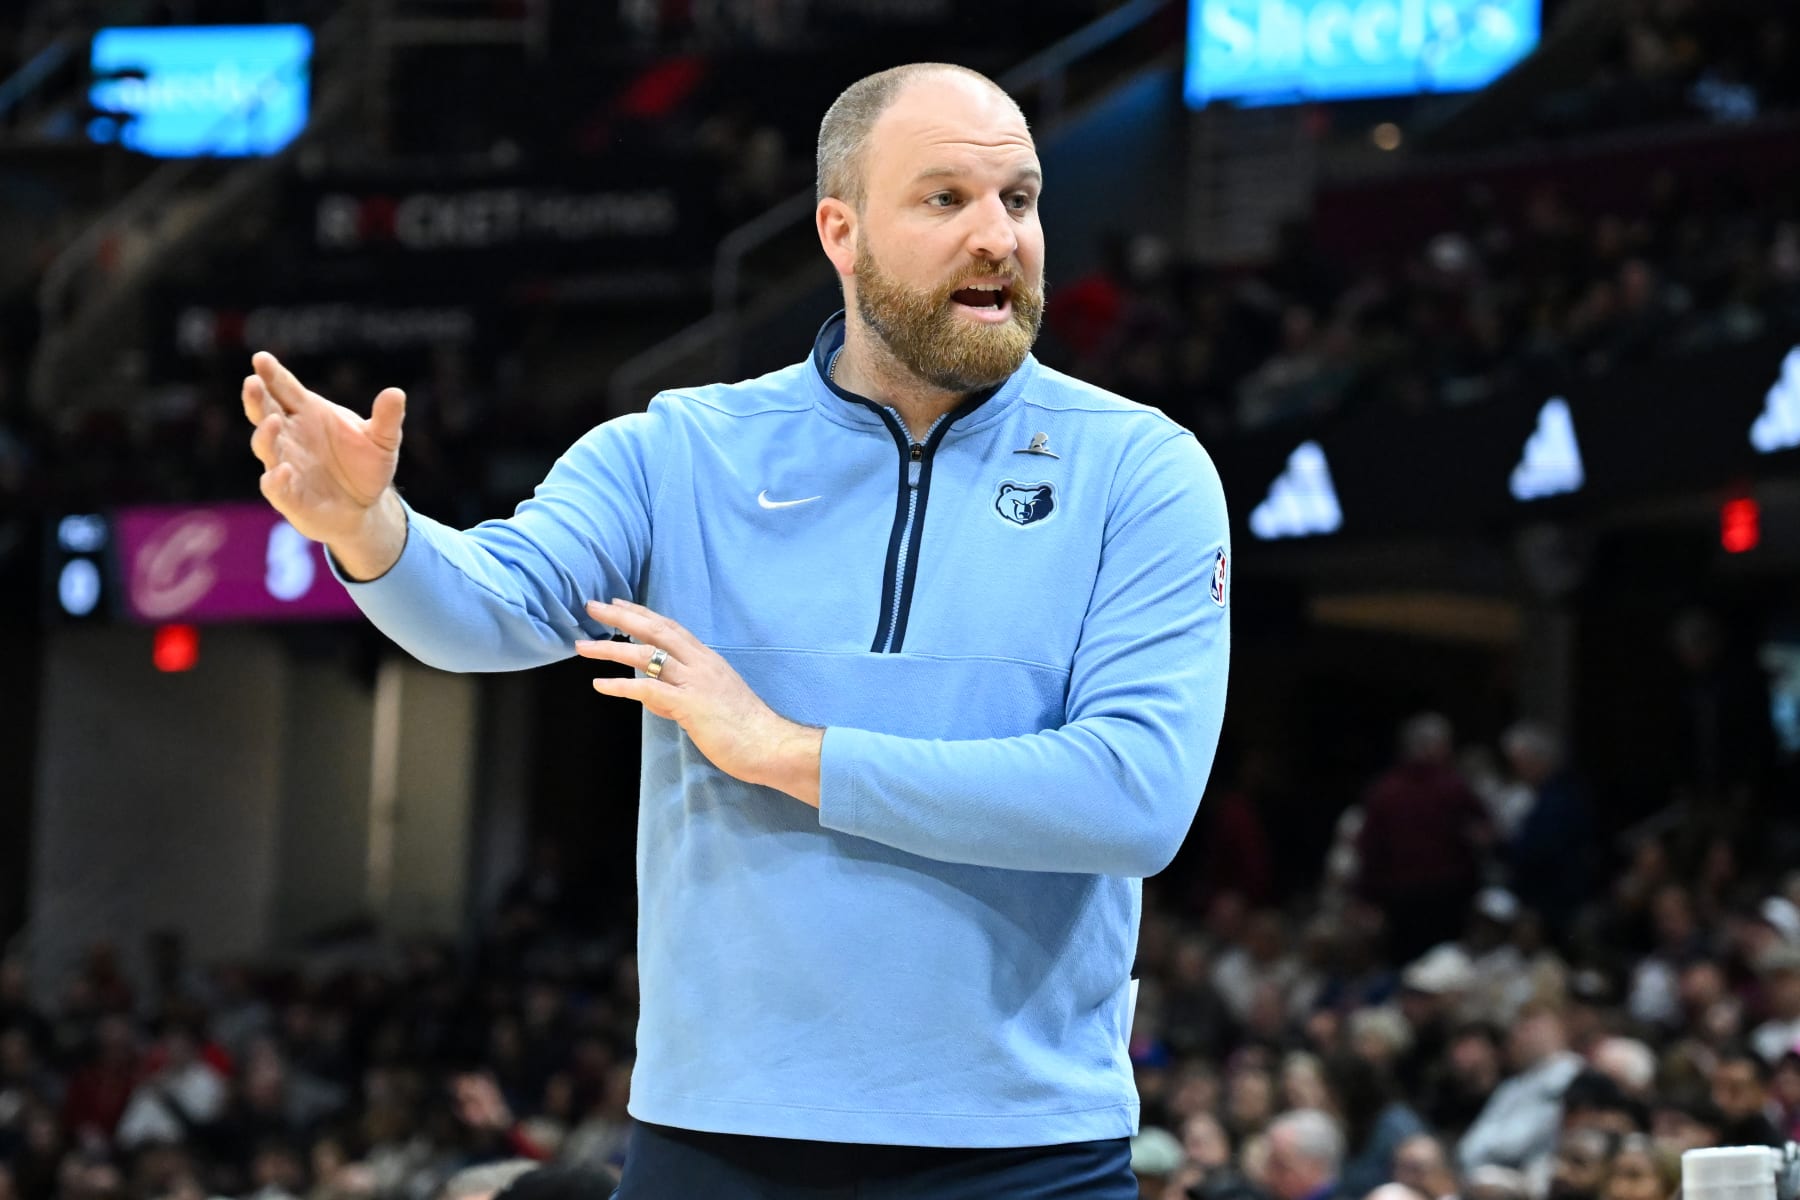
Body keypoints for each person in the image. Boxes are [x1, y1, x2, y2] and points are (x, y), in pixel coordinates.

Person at [241, 62, 1231, 1199]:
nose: (999, 236)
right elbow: (493, 610)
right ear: (839, 230)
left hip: (1028, 1150)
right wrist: (370, 530)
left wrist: (784, 752)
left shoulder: (1143, 469)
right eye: (946, 199)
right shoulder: (676, 451)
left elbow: (1133, 797)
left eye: (1020, 198)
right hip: (717, 1142)